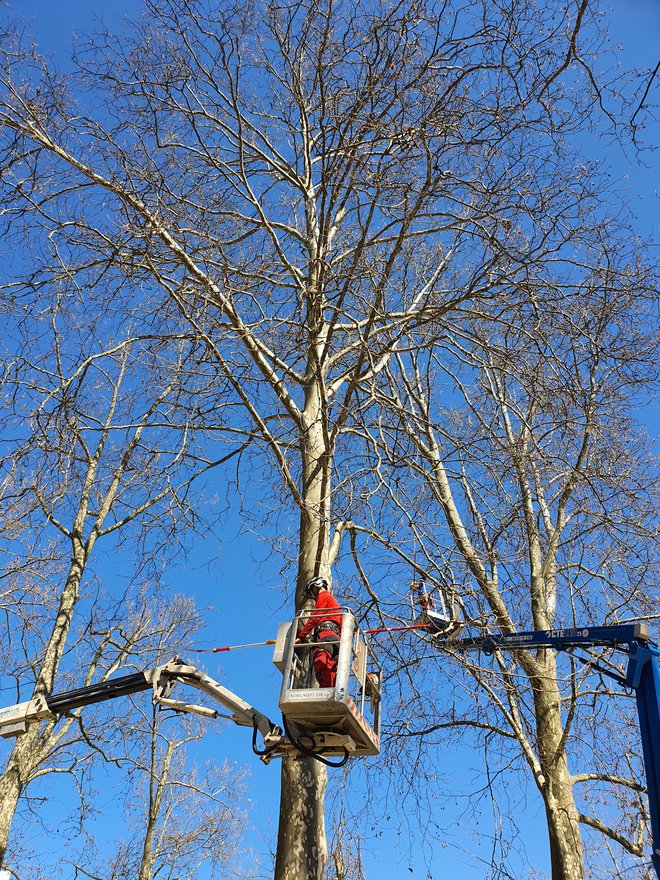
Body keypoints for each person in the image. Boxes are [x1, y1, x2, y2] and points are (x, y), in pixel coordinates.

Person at [296, 576, 342, 688]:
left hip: (326, 635)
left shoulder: (323, 596)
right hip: (337, 640)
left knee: (321, 664)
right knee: (332, 670)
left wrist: (301, 636)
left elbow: (315, 617)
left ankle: (326, 693)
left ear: (317, 586)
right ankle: (331, 693)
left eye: (312, 591)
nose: (313, 596)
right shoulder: (335, 604)